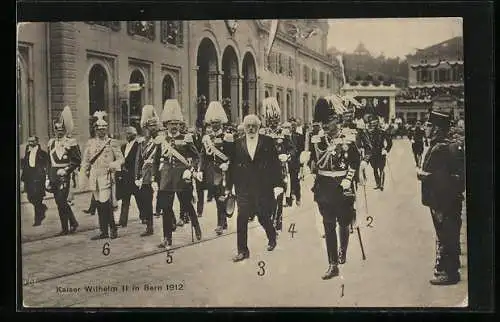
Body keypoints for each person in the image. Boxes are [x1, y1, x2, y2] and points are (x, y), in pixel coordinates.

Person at [310, 98, 360, 280]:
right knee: (328, 225)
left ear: (336, 120)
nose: (324, 125)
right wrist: (309, 163)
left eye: (328, 121)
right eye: (322, 122)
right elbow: (313, 164)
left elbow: (355, 162)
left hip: (342, 187)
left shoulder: (348, 138)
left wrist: (348, 180)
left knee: (343, 222)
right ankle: (333, 264)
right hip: (324, 188)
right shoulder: (316, 140)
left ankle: (343, 251)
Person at [417, 110, 465, 285]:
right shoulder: (451, 145)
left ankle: (449, 273)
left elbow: (435, 176)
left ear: (437, 128)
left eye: (429, 125)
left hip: (441, 201)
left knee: (445, 236)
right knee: (449, 234)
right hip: (451, 199)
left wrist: (422, 175)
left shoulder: (439, 148)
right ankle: (450, 268)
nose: (425, 128)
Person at [225, 114, 280, 262]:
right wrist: (228, 187)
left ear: (258, 127)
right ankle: (242, 251)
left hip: (262, 186)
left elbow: (275, 164)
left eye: (253, 126)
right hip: (243, 187)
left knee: (263, 216)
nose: (250, 128)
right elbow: (232, 167)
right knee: (242, 217)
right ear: (243, 127)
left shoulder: (267, 142)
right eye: (248, 125)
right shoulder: (237, 143)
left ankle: (272, 236)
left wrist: (278, 185)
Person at [156, 99, 202, 249]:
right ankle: (167, 238)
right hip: (167, 177)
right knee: (166, 208)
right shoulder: (162, 139)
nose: (174, 126)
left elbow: (196, 157)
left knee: (187, 204)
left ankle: (196, 226)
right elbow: (157, 160)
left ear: (180, 124)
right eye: (171, 123)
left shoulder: (186, 138)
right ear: (166, 124)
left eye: (176, 123)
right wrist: (156, 178)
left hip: (183, 176)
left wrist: (191, 170)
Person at [82, 111, 124, 240]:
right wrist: (83, 173)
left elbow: (121, 159)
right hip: (94, 176)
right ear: (95, 129)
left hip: (106, 176)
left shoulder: (112, 142)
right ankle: (103, 230)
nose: (102, 131)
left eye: (104, 129)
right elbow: (86, 160)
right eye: (99, 129)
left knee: (106, 203)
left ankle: (113, 228)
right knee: (99, 204)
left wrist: (113, 165)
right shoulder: (90, 143)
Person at [260, 97, 296, 231]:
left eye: (275, 120)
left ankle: (278, 223)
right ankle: (270, 219)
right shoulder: (262, 132)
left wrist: (287, 156)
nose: (273, 123)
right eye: (270, 120)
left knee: (279, 196)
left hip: (280, 168)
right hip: (265, 169)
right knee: (267, 197)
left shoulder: (284, 132)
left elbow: (292, 149)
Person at [46, 106, 81, 236]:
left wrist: (67, 169)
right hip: (54, 175)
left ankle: (66, 227)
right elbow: (49, 162)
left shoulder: (71, 142)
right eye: (57, 130)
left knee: (61, 200)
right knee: (59, 202)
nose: (59, 132)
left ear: (65, 130)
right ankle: (71, 223)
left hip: (65, 175)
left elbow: (77, 159)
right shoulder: (51, 143)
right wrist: (48, 178)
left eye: (61, 130)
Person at [200, 101, 233, 235]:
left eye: (217, 123)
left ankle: (220, 223)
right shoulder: (207, 138)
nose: (214, 125)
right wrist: (200, 170)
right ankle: (223, 221)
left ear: (221, 123)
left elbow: (232, 154)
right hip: (211, 171)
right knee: (216, 197)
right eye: (212, 123)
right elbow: (203, 154)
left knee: (221, 197)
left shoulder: (227, 136)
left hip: (223, 170)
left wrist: (228, 163)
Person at [136, 105, 162, 237]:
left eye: (153, 126)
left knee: (163, 199)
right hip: (146, 174)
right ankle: (149, 226)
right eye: (149, 126)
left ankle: (172, 220)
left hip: (159, 173)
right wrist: (137, 176)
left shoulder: (161, 140)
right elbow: (138, 160)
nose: (151, 128)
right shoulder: (142, 142)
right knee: (146, 201)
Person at [359, 114, 393, 191]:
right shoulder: (367, 133)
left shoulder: (382, 132)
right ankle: (378, 184)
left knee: (381, 169)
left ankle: (381, 185)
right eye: (372, 123)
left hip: (380, 152)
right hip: (372, 153)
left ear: (377, 123)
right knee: (374, 169)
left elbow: (390, 142)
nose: (373, 125)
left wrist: (386, 150)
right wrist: (363, 148)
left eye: (375, 123)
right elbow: (364, 143)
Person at [21, 136, 49, 226]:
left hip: (38, 178)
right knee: (30, 198)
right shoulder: (28, 153)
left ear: (37, 141)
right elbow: (25, 166)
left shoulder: (42, 153)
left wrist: (46, 177)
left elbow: (47, 165)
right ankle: (43, 208)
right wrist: (23, 180)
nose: (30, 143)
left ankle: (38, 220)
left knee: (38, 198)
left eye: (32, 141)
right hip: (29, 178)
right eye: (29, 141)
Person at [118, 126, 142, 227]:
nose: (127, 135)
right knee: (125, 199)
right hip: (125, 177)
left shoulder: (138, 146)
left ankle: (144, 217)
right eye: (126, 133)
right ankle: (123, 221)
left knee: (139, 198)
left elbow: (140, 161)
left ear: (134, 135)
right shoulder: (123, 147)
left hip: (134, 176)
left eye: (129, 133)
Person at [283, 119, 306, 206]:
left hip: (295, 161)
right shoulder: (282, 137)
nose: (290, 128)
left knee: (295, 180)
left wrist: (300, 162)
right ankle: (288, 200)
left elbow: (299, 149)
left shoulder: (298, 136)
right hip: (285, 163)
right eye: (285, 127)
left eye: (289, 127)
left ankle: (298, 196)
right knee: (286, 181)